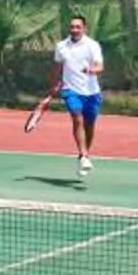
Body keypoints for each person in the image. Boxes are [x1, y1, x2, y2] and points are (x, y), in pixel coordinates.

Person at [42, 14, 104, 178]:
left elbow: (100, 66)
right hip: (70, 90)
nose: (74, 30)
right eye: (72, 27)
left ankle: (84, 155)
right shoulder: (61, 46)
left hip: (92, 92)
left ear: (84, 28)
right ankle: (83, 155)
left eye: (78, 27)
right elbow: (56, 67)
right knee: (77, 117)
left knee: (89, 125)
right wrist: (53, 86)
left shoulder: (92, 45)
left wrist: (91, 70)